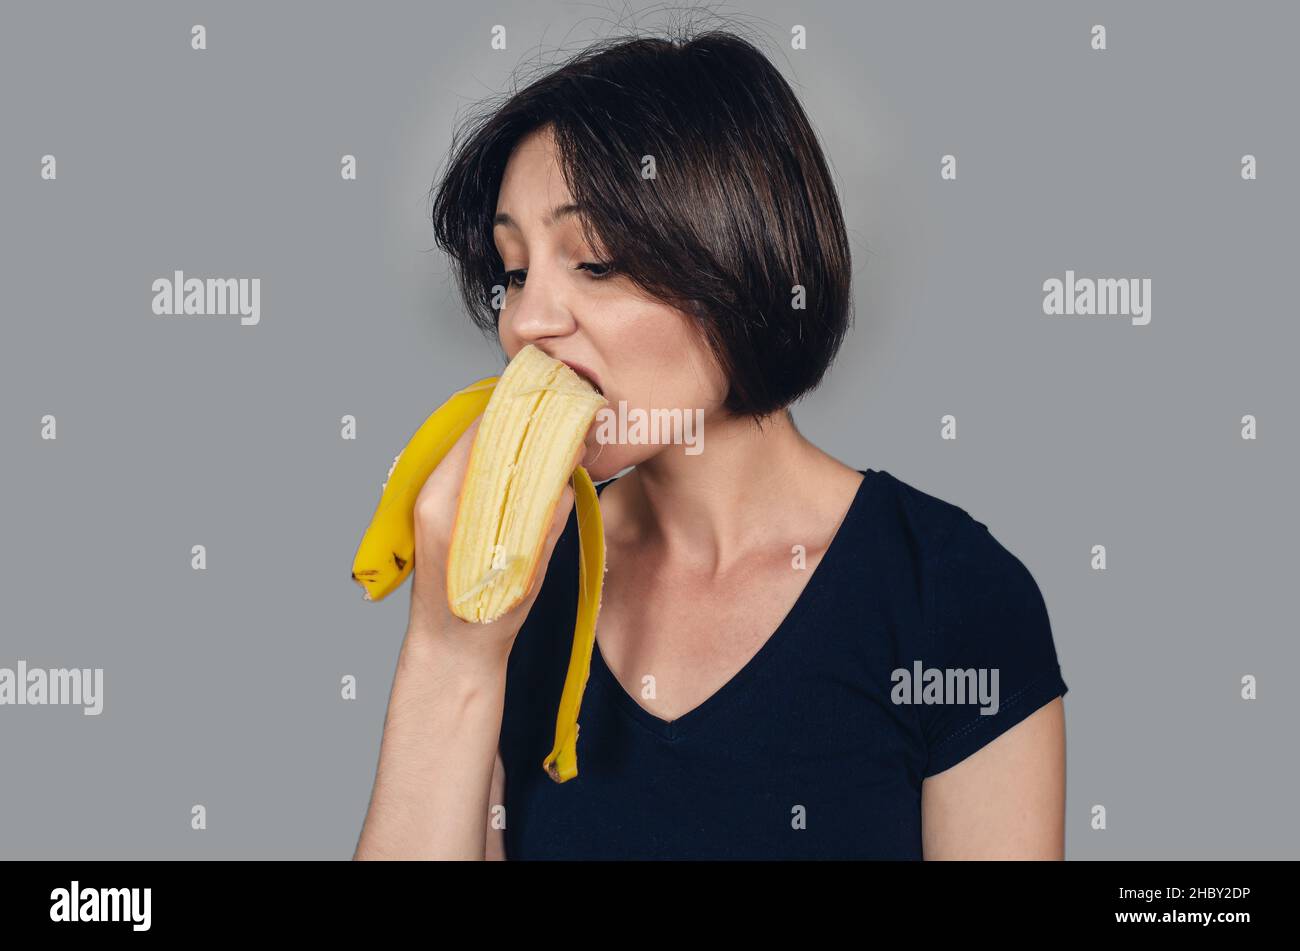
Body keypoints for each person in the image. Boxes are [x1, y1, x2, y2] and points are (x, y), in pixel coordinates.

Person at [355, 29, 1067, 860]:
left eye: (592, 261)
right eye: (513, 271)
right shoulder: (520, 584)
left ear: (742, 259)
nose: (525, 323)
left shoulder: (950, 596)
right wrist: (451, 654)